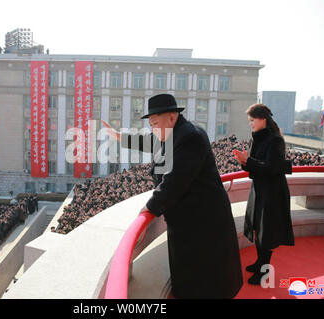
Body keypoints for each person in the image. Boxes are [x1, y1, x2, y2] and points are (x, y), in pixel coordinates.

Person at [102, 93, 243, 298]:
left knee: (209, 279)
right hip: (188, 220)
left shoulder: (189, 137)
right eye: (150, 124)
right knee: (189, 274)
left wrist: (150, 207)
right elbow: (148, 141)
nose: (153, 128)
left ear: (172, 116)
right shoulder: (171, 134)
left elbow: (176, 181)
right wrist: (119, 137)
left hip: (204, 222)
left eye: (155, 122)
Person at [233, 103, 294, 285]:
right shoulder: (256, 138)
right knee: (257, 229)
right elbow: (255, 169)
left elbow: (271, 168)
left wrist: (248, 161)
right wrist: (244, 162)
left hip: (272, 192)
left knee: (266, 231)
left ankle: (264, 270)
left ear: (263, 119)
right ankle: (260, 262)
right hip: (259, 189)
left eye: (252, 120)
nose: (250, 124)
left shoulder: (276, 140)